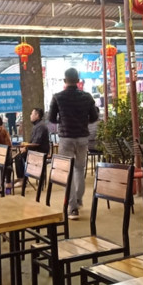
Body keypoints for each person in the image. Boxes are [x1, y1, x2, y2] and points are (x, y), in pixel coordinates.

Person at [49, 68, 98, 220]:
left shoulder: (57, 97)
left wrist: (63, 120)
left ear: (65, 81)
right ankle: (78, 199)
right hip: (83, 137)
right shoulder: (87, 97)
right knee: (79, 169)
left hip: (66, 138)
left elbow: (51, 118)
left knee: (68, 171)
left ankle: (73, 208)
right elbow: (94, 117)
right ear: (78, 81)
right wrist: (82, 121)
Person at [14, 107, 51, 185]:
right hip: (35, 150)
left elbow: (36, 143)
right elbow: (32, 142)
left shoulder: (41, 126)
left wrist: (26, 149)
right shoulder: (37, 126)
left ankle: (22, 180)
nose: (30, 115)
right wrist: (25, 147)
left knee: (19, 157)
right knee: (19, 156)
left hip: (40, 151)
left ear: (37, 115)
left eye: (32, 114)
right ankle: (22, 178)